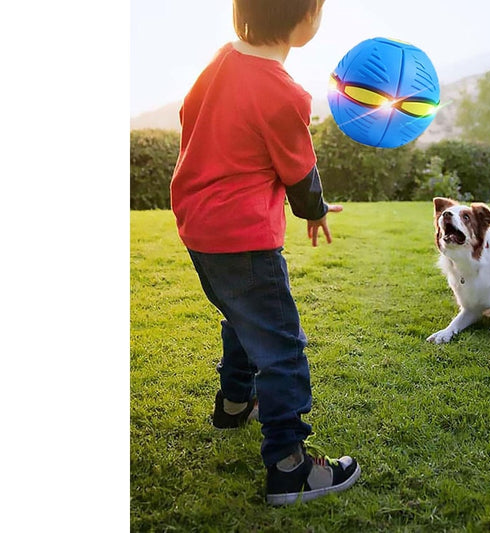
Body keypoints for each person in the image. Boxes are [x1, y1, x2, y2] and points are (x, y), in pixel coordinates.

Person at [169, 0, 360, 505]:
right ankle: (289, 465)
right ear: (303, 20)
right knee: (281, 346)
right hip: (244, 237)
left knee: (240, 318)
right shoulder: (282, 91)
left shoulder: (218, 62)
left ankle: (234, 404)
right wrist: (314, 210)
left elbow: (193, 123)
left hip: (200, 230)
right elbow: (298, 168)